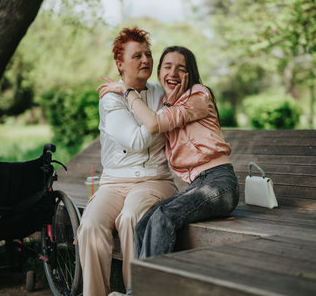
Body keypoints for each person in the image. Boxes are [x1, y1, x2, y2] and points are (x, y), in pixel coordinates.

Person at [99, 45, 239, 293]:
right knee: (145, 223)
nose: (173, 72)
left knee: (164, 217)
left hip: (219, 183)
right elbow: (158, 119)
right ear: (159, 72)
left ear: (190, 74)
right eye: (167, 67)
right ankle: (140, 289)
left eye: (181, 68)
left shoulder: (198, 95)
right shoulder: (171, 104)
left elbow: (153, 124)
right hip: (199, 186)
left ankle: (144, 293)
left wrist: (127, 90)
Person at [77, 27, 177, 296]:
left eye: (148, 54)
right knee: (90, 225)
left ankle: (136, 292)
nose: (145, 60)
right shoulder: (110, 99)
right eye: (137, 56)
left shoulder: (162, 93)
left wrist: (130, 94)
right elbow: (135, 140)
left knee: (132, 216)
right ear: (120, 64)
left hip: (154, 180)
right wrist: (154, 118)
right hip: (114, 182)